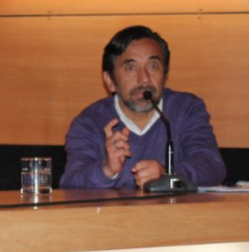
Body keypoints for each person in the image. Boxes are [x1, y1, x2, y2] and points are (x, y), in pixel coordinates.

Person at [60, 25, 225, 189]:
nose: (144, 79)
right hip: (114, 215)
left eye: (153, 66)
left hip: (175, 214)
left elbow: (212, 167)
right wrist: (108, 170)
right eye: (131, 68)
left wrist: (167, 173)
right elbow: (70, 182)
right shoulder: (90, 122)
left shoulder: (185, 109)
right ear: (110, 80)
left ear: (165, 74)